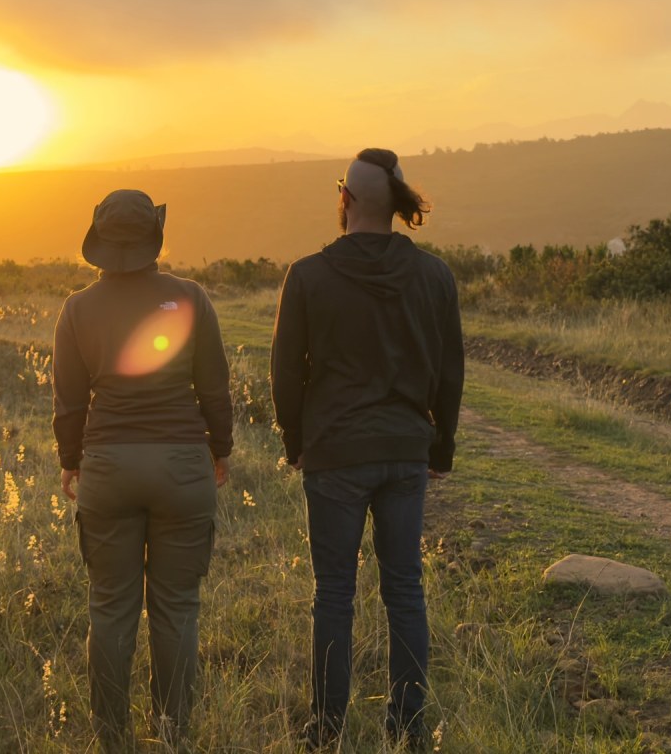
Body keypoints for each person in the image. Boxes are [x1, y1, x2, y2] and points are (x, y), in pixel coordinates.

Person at [271, 149, 463, 750]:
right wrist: (441, 447)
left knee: (334, 593)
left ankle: (326, 729)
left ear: (346, 200)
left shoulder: (307, 276)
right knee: (404, 588)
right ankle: (407, 729)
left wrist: (296, 441)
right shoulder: (434, 275)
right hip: (406, 449)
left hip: (333, 452)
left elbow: (285, 371)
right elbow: (450, 369)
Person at [53, 189, 233, 752]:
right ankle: (173, 733)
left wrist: (70, 460)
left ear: (99, 242)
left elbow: (68, 402)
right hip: (182, 465)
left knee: (109, 605)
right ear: (155, 237)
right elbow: (214, 386)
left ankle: (113, 738)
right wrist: (219, 449)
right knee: (177, 607)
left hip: (107, 466)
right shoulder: (191, 298)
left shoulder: (77, 309)